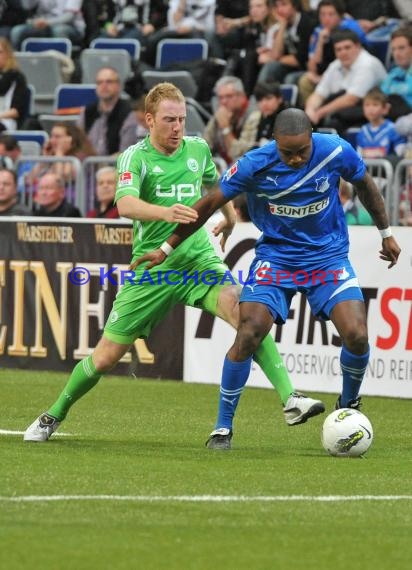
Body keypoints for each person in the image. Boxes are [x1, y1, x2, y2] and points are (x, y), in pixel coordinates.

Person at [24, 84, 324, 443]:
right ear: (149, 120)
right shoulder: (136, 157)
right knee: (104, 358)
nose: (178, 127)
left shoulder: (197, 149)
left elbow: (216, 187)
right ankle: (53, 414)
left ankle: (290, 398)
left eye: (181, 119)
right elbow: (126, 206)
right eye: (169, 120)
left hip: (198, 260)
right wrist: (166, 213)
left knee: (248, 317)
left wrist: (229, 218)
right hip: (152, 270)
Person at [133, 108, 401, 450]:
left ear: (312, 137)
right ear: (274, 142)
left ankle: (348, 405)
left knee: (358, 335)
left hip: (327, 258)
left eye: (302, 151)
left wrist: (386, 233)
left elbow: (364, 183)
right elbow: (210, 202)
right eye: (287, 152)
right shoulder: (253, 165)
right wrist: (167, 248)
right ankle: (222, 428)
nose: (295, 158)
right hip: (276, 259)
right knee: (248, 333)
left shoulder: (335, 150)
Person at [305, 29, 387, 133]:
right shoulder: (335, 65)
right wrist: (310, 110)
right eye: (338, 49)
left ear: (358, 46)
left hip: (370, 111)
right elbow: (319, 94)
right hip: (345, 111)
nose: (343, 52)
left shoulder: (368, 64)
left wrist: (319, 113)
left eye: (347, 47)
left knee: (335, 120)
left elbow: (351, 99)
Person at [77, 66, 138, 156]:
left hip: (116, 167)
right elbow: (79, 144)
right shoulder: (86, 112)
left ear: (118, 86)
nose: (104, 86)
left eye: (109, 82)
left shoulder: (129, 113)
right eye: (100, 82)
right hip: (87, 165)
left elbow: (126, 152)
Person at [203, 76, 255, 166]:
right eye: (221, 98)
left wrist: (225, 128)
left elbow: (239, 154)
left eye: (229, 96)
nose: (224, 102)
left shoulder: (253, 114)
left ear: (242, 96)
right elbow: (204, 145)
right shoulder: (220, 113)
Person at [10, 0, 85, 50]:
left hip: (70, 27)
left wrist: (47, 22)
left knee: (58, 30)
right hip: (43, 25)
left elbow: (69, 16)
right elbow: (26, 6)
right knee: (17, 31)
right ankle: (16, 70)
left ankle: (61, 67)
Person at [380, 26, 412, 121]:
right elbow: (381, 98)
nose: (396, 54)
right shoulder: (393, 74)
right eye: (393, 49)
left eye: (401, 48)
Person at [0, 37, 29, 131]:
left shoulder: (17, 77)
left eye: (0, 52)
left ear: (8, 54)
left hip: (6, 120)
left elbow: (15, 111)